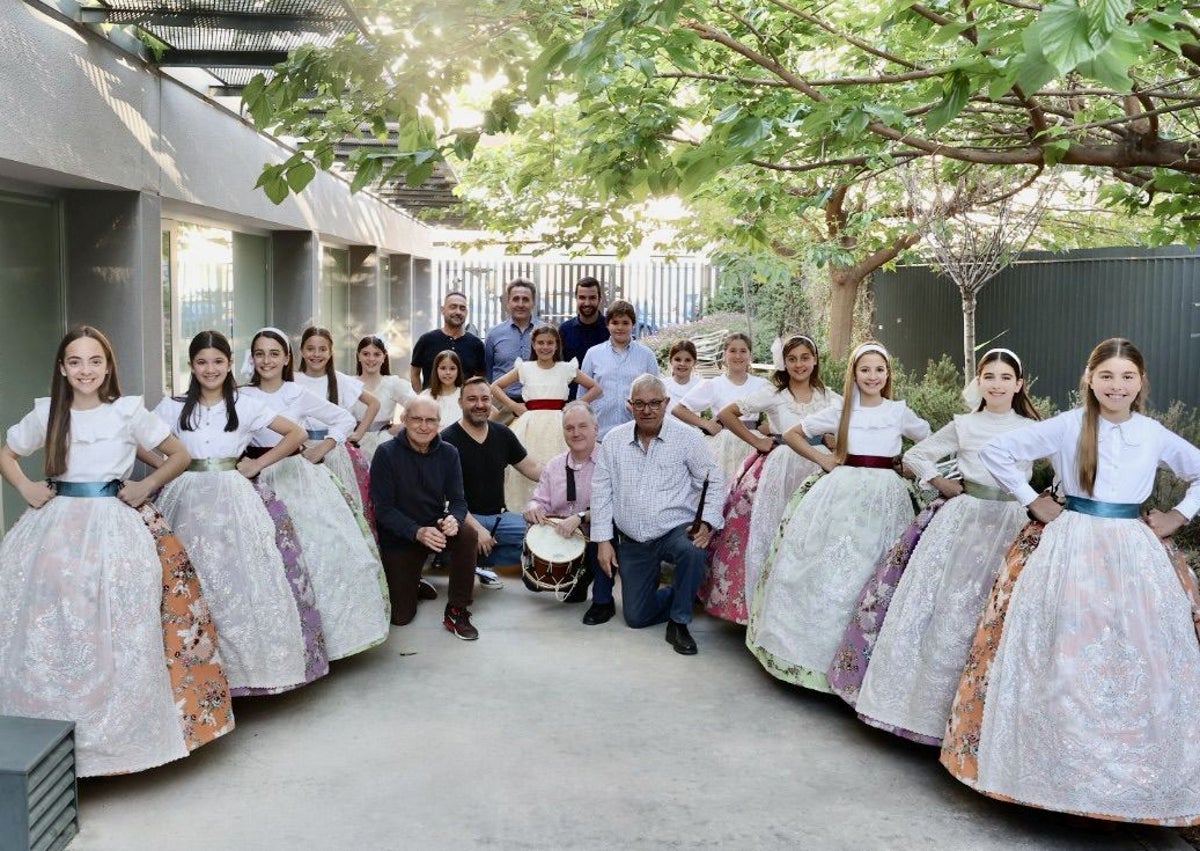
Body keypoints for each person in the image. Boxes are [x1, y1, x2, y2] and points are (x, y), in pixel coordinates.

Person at [942, 338, 1200, 825]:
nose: (1116, 386)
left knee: (1139, 652)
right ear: (1089, 380)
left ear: (1141, 382)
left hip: (1133, 551)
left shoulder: (1153, 433)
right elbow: (999, 452)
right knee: (1063, 647)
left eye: (1127, 377)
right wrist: (1030, 498)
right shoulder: (1066, 426)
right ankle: (1054, 772)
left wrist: (1180, 514)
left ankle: (1132, 778)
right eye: (1106, 376)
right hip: (1071, 546)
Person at [0, 325, 233, 776]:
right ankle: (45, 737)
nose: (85, 370)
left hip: (114, 528)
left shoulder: (128, 412)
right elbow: (6, 453)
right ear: (63, 369)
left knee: (120, 626)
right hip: (56, 528)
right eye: (75, 362)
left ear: (108, 367)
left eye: (94, 361)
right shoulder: (48, 413)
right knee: (53, 624)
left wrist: (146, 485)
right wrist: (27, 486)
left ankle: (118, 740)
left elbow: (178, 455)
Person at [840, 349, 1038, 741]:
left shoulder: (1033, 427)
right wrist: (941, 483)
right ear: (978, 382)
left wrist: (1052, 497)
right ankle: (924, 713)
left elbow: (1070, 461)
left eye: (1005, 377)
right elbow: (916, 454)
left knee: (995, 607)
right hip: (966, 522)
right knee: (952, 604)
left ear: (1018, 385)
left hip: (1013, 520)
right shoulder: (965, 425)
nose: (996, 384)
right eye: (989, 376)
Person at [149, 330, 327, 696]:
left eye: (217, 361)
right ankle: (192, 671)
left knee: (239, 577)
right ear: (191, 366)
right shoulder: (172, 406)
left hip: (234, 497)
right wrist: (165, 468)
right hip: (187, 499)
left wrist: (256, 464)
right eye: (201, 362)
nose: (210, 369)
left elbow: (295, 433)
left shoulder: (244, 404)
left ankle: (244, 674)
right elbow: (136, 438)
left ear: (230, 364)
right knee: (191, 576)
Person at [746, 342, 930, 691]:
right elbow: (792, 434)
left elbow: (929, 440)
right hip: (843, 492)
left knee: (875, 568)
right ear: (854, 375)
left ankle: (860, 666)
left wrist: (912, 466)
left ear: (888, 374)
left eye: (879, 369)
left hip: (885, 498)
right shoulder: (842, 409)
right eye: (865, 370)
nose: (872, 376)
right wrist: (823, 460)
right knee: (833, 567)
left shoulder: (898, 411)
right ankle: (812, 661)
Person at [241, 327, 391, 660]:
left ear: (286, 358)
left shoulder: (295, 393)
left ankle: (324, 639)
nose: (267, 360)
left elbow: (341, 418)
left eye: (274, 353)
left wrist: (322, 447)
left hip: (294, 475)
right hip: (250, 475)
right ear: (252, 358)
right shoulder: (240, 395)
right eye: (260, 354)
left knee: (317, 549)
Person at [701, 334, 838, 624]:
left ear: (815, 360)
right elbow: (728, 414)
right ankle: (758, 608)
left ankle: (794, 608)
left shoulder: (829, 396)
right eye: (792, 359)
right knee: (769, 530)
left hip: (817, 468)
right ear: (784, 363)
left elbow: (851, 421)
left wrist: (834, 440)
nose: (799, 364)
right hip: (780, 466)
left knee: (807, 537)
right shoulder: (775, 394)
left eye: (805, 358)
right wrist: (757, 440)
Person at [591, 373, 725, 655]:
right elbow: (601, 492)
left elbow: (713, 480)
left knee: (693, 549)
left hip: (675, 529)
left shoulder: (687, 438)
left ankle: (679, 621)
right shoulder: (613, 441)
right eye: (639, 404)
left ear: (666, 402)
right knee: (637, 618)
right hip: (633, 538)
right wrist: (603, 540)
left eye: (654, 403)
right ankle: (687, 594)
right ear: (630, 405)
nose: (647, 410)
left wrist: (709, 522)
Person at [370, 396, 482, 640]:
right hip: (400, 535)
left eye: (430, 420)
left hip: (435, 528)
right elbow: (383, 509)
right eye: (417, 419)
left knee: (467, 534)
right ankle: (414, 584)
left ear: (439, 423)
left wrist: (454, 517)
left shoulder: (449, 453)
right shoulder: (386, 453)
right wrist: (416, 531)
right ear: (404, 420)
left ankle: (457, 610)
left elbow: (459, 500)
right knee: (400, 618)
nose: (424, 426)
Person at [441, 377, 543, 590]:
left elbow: (531, 468)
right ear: (460, 403)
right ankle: (466, 555)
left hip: (500, 517)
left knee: (538, 537)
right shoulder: (447, 440)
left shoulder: (502, 434)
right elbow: (445, 499)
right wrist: (476, 529)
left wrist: (567, 473)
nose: (479, 405)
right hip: (464, 518)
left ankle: (480, 562)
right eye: (472, 399)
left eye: (485, 399)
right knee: (460, 538)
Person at [522, 402, 616, 623]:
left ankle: (603, 602)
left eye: (582, 426)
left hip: (597, 536)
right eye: (569, 428)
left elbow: (617, 506)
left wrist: (581, 517)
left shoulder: (611, 461)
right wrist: (533, 509)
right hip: (564, 539)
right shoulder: (554, 466)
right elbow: (538, 500)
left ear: (596, 428)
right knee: (534, 584)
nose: (576, 433)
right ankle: (580, 579)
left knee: (600, 535)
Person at [491, 325, 601, 513]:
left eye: (550, 343)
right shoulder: (525, 368)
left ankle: (561, 509)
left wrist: (575, 406)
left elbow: (596, 388)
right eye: (540, 342)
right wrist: (514, 406)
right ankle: (527, 509)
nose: (545, 347)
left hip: (558, 425)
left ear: (557, 345)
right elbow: (495, 387)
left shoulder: (566, 368)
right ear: (533, 345)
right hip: (530, 425)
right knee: (526, 464)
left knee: (560, 465)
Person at [294, 326, 379, 516]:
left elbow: (374, 403)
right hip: (301, 451)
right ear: (301, 351)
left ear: (331, 352)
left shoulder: (341, 380)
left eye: (322, 349)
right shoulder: (293, 380)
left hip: (334, 451)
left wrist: (358, 433)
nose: (316, 354)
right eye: (310, 349)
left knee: (339, 509)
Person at [672, 332, 771, 482]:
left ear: (750, 355)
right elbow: (679, 409)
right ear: (724, 355)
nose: (738, 356)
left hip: (753, 442)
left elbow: (781, 407)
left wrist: (768, 426)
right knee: (723, 487)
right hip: (724, 444)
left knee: (748, 490)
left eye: (743, 351)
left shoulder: (761, 385)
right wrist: (705, 423)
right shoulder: (714, 384)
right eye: (732, 351)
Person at [578, 300, 660, 438]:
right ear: (607, 325)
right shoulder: (593, 354)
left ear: (633, 325)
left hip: (636, 432)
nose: (620, 327)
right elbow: (582, 396)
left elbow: (656, 395)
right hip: (600, 433)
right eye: (615, 322)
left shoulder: (646, 355)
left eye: (625, 323)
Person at [354, 334, 416, 460]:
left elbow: (419, 404)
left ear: (384, 357)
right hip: (354, 443)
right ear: (358, 356)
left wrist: (401, 426)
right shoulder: (349, 383)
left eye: (377, 354)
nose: (371, 359)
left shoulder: (392, 383)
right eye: (366, 354)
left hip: (384, 442)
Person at [484, 278, 538, 420]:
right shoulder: (494, 334)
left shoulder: (545, 332)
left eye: (525, 299)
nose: (520, 304)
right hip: (502, 405)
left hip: (536, 406)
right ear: (508, 303)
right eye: (516, 299)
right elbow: (488, 372)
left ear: (533, 303)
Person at [409, 290, 485, 389]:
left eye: (462, 308)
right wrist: (421, 398)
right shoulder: (426, 340)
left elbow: (481, 376)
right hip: (432, 401)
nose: (458, 312)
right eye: (453, 307)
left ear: (466, 312)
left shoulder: (476, 344)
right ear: (442, 310)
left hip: (463, 403)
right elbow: (415, 373)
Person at [559, 276, 609, 364]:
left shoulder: (610, 329)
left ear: (600, 299)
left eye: (592, 298)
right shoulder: (564, 330)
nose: (587, 303)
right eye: (582, 297)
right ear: (576, 299)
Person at [421, 349, 465, 429]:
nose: (448, 372)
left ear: (458, 370)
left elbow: (492, 412)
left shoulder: (465, 394)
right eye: (443, 368)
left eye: (452, 368)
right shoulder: (426, 396)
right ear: (436, 370)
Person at [663, 340, 701, 414]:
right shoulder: (662, 385)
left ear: (694, 362)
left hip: (692, 425)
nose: (682, 364)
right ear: (671, 361)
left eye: (687, 360)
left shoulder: (699, 385)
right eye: (677, 359)